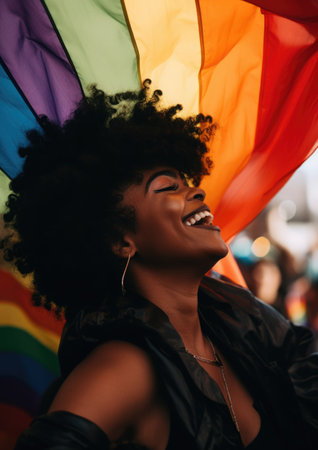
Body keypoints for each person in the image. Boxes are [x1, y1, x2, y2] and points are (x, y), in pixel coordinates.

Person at [2, 81, 318, 450]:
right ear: (121, 242)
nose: (196, 191)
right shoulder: (124, 366)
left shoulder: (243, 327)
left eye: (187, 181)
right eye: (168, 188)